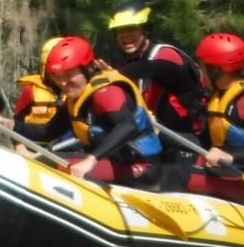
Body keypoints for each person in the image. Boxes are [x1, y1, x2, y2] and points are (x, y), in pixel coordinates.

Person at [45, 35, 163, 189]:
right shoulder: (75, 99)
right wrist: (9, 124)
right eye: (56, 77)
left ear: (87, 69)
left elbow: (128, 125)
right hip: (116, 162)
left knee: (49, 162)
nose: (62, 83)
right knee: (43, 157)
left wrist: (90, 161)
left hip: (141, 167)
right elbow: (47, 132)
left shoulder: (106, 93)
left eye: (68, 74)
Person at [187, 31, 244, 202]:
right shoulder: (219, 95)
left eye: (202, 65)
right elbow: (203, 142)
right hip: (224, 174)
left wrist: (230, 158)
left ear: (215, 69)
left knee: (175, 174)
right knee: (171, 158)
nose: (200, 70)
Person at [107, 0, 204, 138]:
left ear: (146, 29)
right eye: (120, 30)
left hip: (187, 137)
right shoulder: (126, 64)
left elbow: (154, 67)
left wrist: (114, 75)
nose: (125, 35)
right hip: (153, 138)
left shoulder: (165, 53)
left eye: (131, 28)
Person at [0, 36, 73, 147]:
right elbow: (18, 122)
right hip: (34, 148)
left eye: (67, 72)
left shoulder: (74, 95)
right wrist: (20, 147)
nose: (61, 79)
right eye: (55, 72)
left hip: (67, 150)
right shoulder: (31, 92)